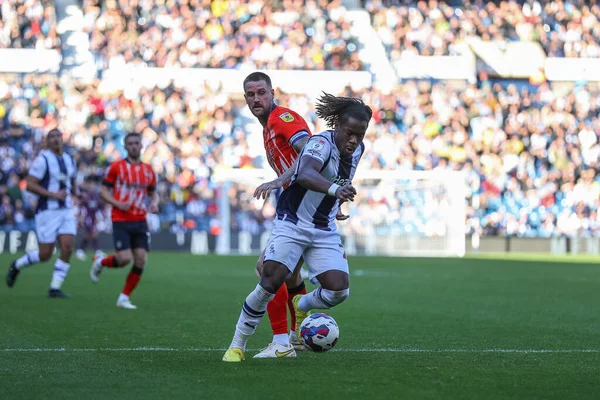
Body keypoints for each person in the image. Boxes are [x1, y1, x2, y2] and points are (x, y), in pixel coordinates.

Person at [223, 92, 371, 362]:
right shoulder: (319, 143)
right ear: (337, 125)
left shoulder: (358, 150)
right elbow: (305, 173)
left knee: (339, 289)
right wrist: (335, 189)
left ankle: (300, 305)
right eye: (350, 133)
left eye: (360, 135)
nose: (354, 140)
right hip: (292, 222)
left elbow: (338, 177)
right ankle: (237, 345)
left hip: (323, 228)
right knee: (270, 278)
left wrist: (336, 201)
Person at [243, 71, 312, 358]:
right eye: (250, 94)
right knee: (292, 277)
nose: (256, 98)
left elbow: (311, 152)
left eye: (261, 92)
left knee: (266, 268)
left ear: (273, 93)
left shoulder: (282, 118)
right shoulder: (267, 127)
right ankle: (297, 338)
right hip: (301, 200)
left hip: (302, 201)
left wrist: (278, 180)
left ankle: (282, 342)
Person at [6, 128, 79, 298]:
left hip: (66, 209)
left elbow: (70, 181)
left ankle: (55, 288)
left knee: (67, 247)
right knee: (45, 254)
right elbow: (30, 184)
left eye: (58, 136)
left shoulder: (69, 159)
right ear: (46, 141)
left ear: (62, 139)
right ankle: (17, 265)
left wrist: (77, 192)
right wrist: (53, 194)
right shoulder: (42, 160)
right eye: (51, 137)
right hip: (47, 211)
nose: (55, 139)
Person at [90, 132, 159, 310]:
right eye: (131, 143)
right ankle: (100, 262)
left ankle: (124, 297)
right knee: (124, 259)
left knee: (141, 259)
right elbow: (103, 192)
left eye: (137, 143)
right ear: (125, 147)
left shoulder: (148, 170)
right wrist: (118, 203)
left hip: (140, 219)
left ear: (141, 146)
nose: (134, 146)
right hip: (121, 218)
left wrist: (154, 203)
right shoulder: (116, 167)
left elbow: (153, 192)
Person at [76, 179, 105, 261]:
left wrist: (100, 216)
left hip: (94, 217)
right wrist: (81, 217)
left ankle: (81, 251)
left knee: (90, 234)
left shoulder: (96, 197)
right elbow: (81, 207)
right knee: (92, 234)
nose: (91, 187)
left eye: (93, 185)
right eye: (90, 186)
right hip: (87, 217)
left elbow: (101, 207)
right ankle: (96, 251)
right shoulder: (85, 196)